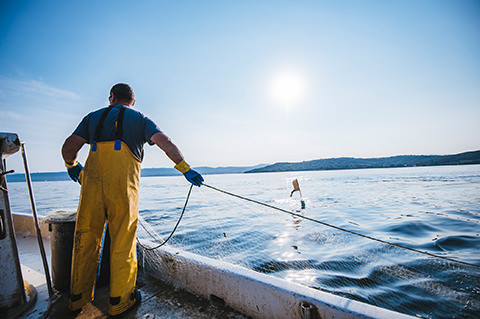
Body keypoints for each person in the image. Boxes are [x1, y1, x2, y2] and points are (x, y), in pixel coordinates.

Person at [61, 83, 203, 317]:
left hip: (91, 186)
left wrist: (72, 166)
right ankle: (120, 301)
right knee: (122, 241)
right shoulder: (140, 118)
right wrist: (185, 168)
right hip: (122, 189)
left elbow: (69, 146)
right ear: (132, 101)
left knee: (85, 238)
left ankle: (77, 299)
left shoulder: (92, 118)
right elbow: (165, 142)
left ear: (112, 98)